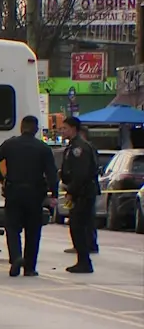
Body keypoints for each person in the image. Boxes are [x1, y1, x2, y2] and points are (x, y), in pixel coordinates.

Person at [0, 115, 59, 277]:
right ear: (35, 129)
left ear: (21, 128)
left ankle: (16, 257)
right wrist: (53, 193)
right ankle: (30, 267)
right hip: (35, 194)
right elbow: (52, 173)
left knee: (12, 228)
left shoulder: (10, 144)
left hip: (13, 192)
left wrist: (2, 179)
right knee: (33, 231)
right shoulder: (43, 148)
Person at [60, 117, 99, 273]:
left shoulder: (79, 148)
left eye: (65, 128)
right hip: (80, 192)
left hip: (83, 194)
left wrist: (71, 191)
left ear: (73, 129)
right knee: (76, 227)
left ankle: (84, 262)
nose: (62, 131)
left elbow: (81, 174)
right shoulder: (73, 146)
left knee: (78, 227)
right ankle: (82, 260)